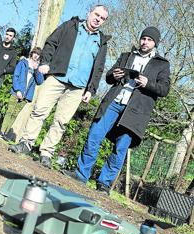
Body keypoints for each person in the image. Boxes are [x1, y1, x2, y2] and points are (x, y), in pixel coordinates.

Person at [65, 26, 171, 195]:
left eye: (149, 40)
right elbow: (108, 77)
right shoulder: (126, 56)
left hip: (135, 111)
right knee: (94, 135)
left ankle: (104, 184)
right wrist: (114, 75)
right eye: (143, 38)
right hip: (114, 102)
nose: (145, 42)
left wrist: (147, 83)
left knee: (120, 147)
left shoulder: (162, 64)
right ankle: (81, 174)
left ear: (155, 43)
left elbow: (164, 89)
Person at [9, 5, 110, 168]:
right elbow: (51, 43)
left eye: (102, 18)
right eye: (96, 15)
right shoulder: (71, 26)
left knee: (61, 122)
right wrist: (45, 63)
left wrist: (91, 89)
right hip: (57, 77)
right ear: (89, 13)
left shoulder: (101, 42)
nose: (98, 19)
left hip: (78, 87)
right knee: (39, 111)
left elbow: (98, 68)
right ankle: (26, 143)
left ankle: (46, 153)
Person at [0, 47, 44, 140]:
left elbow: (40, 81)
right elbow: (16, 76)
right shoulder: (23, 62)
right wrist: (17, 90)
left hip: (26, 95)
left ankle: (5, 134)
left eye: (38, 54)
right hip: (16, 91)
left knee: (15, 115)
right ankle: (1, 131)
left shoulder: (38, 67)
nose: (36, 55)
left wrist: (37, 69)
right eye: (35, 53)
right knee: (9, 112)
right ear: (32, 53)